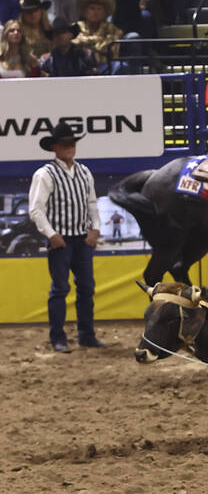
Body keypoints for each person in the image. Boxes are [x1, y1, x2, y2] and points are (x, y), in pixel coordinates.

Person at [28, 120, 105, 352]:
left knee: (86, 288)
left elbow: (92, 203)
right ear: (55, 147)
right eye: (65, 144)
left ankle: (86, 335)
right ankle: (58, 338)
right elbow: (36, 209)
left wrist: (95, 229)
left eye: (72, 143)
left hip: (83, 239)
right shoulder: (45, 174)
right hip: (60, 240)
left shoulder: (84, 171)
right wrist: (52, 235)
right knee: (60, 289)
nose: (70, 147)